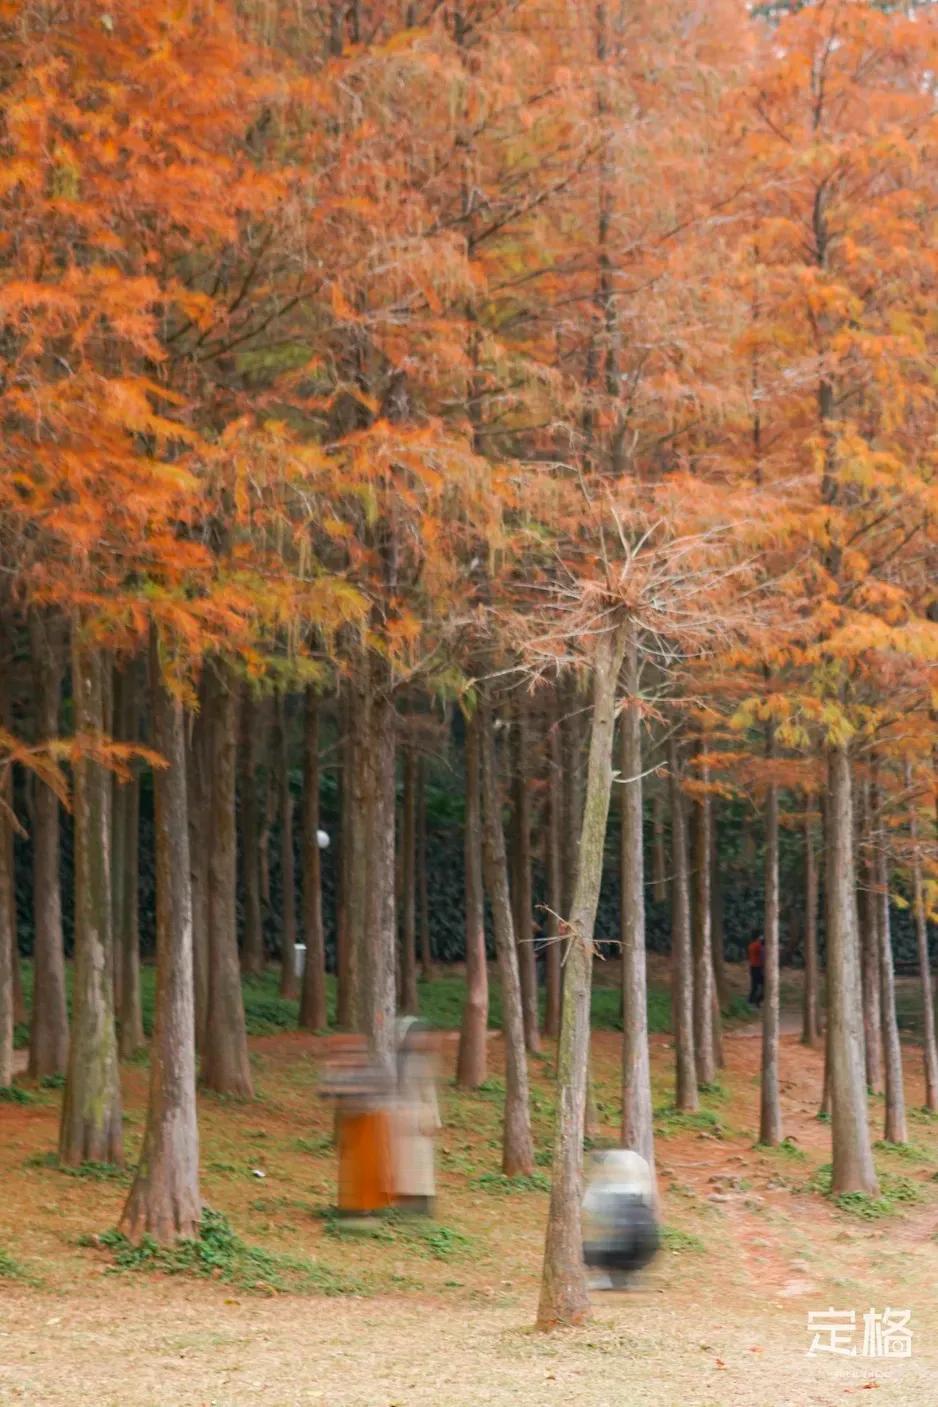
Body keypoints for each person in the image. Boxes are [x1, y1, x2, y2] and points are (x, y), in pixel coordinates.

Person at [582, 1149, 659, 1290]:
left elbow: (601, 1226)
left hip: (625, 1251)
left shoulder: (607, 1191)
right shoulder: (638, 1189)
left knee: (586, 1246)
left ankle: (607, 1278)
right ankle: (626, 1278)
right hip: (647, 1252)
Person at [393, 1017, 441, 1216]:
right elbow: (428, 1094)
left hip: (410, 1119)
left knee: (416, 1163)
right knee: (411, 1163)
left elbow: (428, 1093)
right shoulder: (408, 1062)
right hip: (412, 1118)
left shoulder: (402, 1061)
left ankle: (415, 1203)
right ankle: (414, 1204)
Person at [747, 933, 765, 1007]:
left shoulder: (751, 945)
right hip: (757, 967)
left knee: (754, 985)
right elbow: (762, 952)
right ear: (757, 938)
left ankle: (751, 1001)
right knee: (764, 984)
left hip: (752, 967)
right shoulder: (757, 945)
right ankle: (755, 1000)